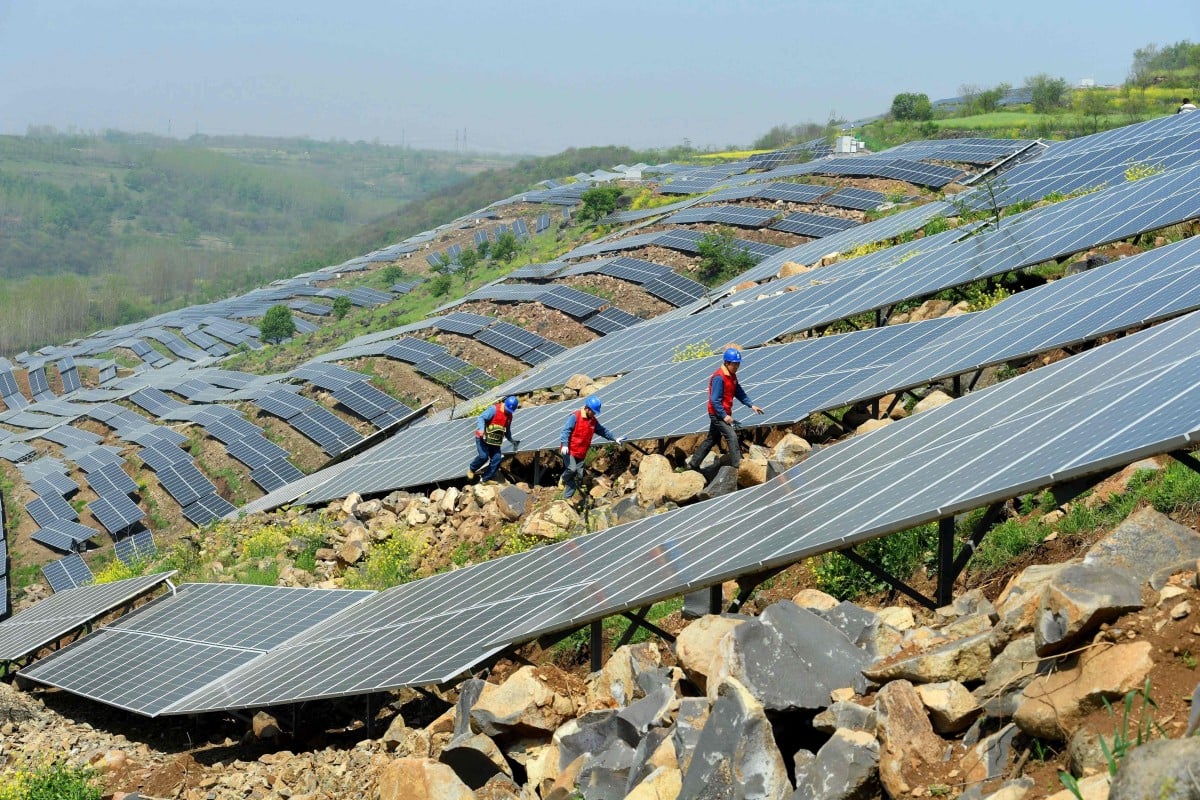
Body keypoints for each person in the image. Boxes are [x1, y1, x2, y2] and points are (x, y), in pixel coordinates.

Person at [687, 347, 764, 471]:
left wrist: (751, 405)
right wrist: (724, 416)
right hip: (717, 413)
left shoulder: (732, 376)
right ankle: (736, 467)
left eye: (738, 364)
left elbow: (739, 392)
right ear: (727, 363)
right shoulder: (719, 377)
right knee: (731, 436)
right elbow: (714, 399)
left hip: (723, 412)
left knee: (712, 438)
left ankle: (692, 464)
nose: (737, 366)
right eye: (735, 364)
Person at [559, 395, 623, 502]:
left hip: (581, 453)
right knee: (571, 469)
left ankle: (566, 499)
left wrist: (614, 438)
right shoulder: (575, 416)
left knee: (578, 478)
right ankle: (563, 479)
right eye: (593, 411)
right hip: (569, 450)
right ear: (587, 408)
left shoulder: (593, 421)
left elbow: (603, 431)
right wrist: (564, 444)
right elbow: (565, 430)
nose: (594, 413)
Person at [467, 395, 519, 482]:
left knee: (497, 459)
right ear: (504, 404)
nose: (508, 411)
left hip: (494, 441)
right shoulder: (494, 409)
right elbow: (481, 417)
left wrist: (511, 440)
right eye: (507, 409)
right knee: (483, 456)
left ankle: (484, 479)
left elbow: (507, 430)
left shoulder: (509, 416)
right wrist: (481, 429)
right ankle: (471, 469)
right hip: (482, 438)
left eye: (510, 411)